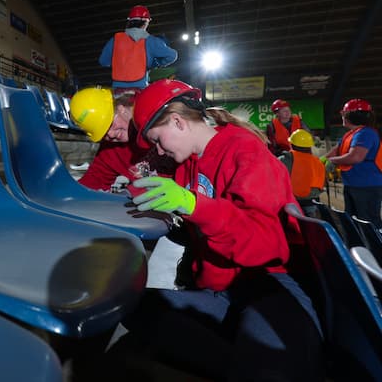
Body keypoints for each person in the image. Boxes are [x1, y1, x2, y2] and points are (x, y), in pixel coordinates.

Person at [110, 79, 323, 381]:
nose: (159, 150)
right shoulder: (186, 166)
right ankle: (246, 356)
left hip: (269, 283)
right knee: (128, 304)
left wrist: (194, 206)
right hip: (220, 290)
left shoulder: (244, 149)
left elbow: (264, 244)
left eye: (158, 140)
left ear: (177, 122)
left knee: (276, 370)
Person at [69, 87, 174, 192]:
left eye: (110, 124)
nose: (110, 134)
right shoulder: (110, 150)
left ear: (121, 108)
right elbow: (93, 181)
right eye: (103, 134)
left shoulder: (159, 119)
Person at [323, 98, 382, 229]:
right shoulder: (350, 135)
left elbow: (355, 157)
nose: (342, 116)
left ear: (351, 115)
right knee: (354, 221)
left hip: (367, 186)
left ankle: (376, 248)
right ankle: (361, 247)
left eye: (344, 113)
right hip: (353, 185)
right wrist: (319, 162)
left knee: (368, 222)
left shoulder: (365, 133)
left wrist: (331, 161)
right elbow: (333, 153)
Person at [98, 5, 177, 93]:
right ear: (146, 22)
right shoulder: (151, 41)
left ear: (130, 21)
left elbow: (103, 61)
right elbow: (172, 55)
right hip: (140, 90)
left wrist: (120, 63)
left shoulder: (115, 39)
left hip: (118, 91)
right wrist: (156, 63)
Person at [278, 129, 326, 218]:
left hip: (291, 204)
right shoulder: (318, 163)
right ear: (309, 146)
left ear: (291, 144)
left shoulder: (283, 160)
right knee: (311, 228)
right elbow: (321, 184)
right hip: (312, 202)